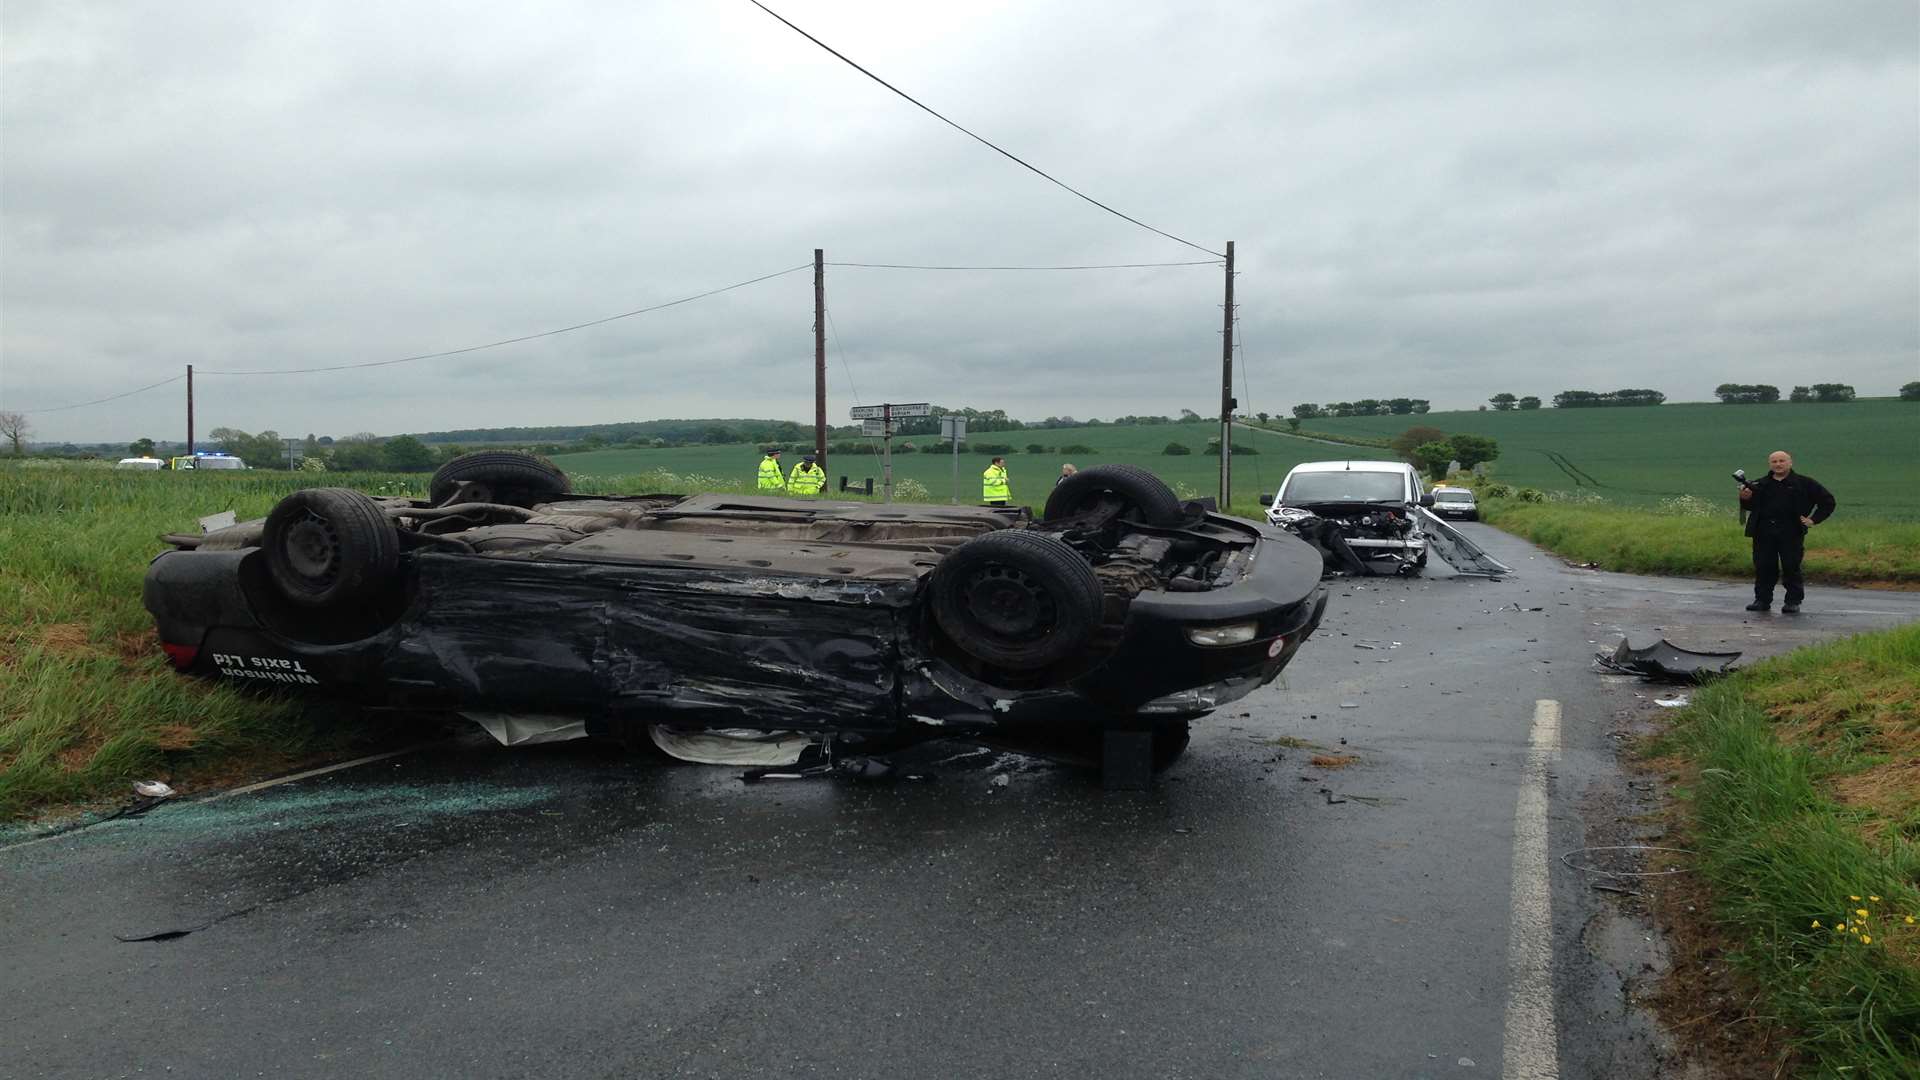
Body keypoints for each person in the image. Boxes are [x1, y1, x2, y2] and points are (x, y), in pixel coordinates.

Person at [1738, 450, 1835, 614]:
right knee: (1764, 566)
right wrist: (1745, 498)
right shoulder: (1759, 484)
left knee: (1791, 566)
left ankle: (1793, 601)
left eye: (1782, 461)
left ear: (1790, 463)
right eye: (1774, 461)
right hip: (1763, 532)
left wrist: (1813, 520)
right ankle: (1762, 600)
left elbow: (1828, 501)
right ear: (1770, 464)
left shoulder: (1805, 483)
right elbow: (1750, 507)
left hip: (1791, 532)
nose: (1778, 464)